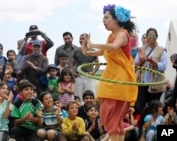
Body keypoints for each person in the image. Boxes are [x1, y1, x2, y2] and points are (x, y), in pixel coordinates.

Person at [81, 4, 138, 141]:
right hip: (110, 77)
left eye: (106, 18)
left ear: (117, 19)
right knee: (113, 116)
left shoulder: (123, 34)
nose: (103, 21)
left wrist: (92, 44)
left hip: (121, 78)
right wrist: (86, 51)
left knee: (109, 114)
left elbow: (113, 47)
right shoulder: (111, 35)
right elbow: (104, 51)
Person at [134, 27, 168, 115]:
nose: (151, 37)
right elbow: (135, 64)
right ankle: (141, 125)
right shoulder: (141, 49)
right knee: (139, 105)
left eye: (153, 35)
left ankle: (153, 126)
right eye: (149, 35)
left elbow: (163, 66)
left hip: (155, 85)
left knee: (153, 108)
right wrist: (141, 61)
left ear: (157, 37)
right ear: (147, 36)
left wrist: (152, 61)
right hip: (142, 83)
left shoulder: (162, 50)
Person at [72, 33, 99, 98]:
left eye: (83, 39)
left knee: (90, 94)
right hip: (78, 76)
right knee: (78, 95)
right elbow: (72, 64)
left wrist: (93, 72)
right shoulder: (76, 50)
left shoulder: (93, 50)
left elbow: (97, 63)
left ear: (87, 39)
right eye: (80, 39)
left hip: (88, 76)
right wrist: (73, 72)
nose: (81, 40)